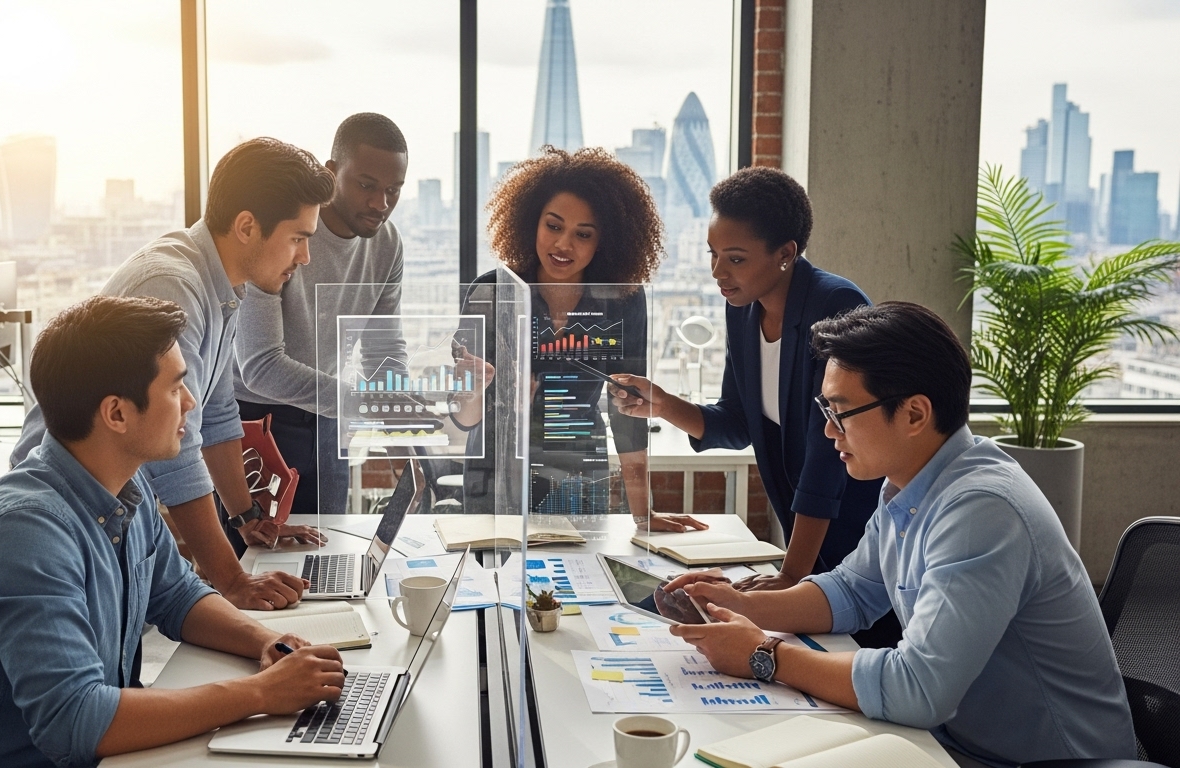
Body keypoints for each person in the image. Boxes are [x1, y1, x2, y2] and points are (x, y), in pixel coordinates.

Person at [662, 302, 1134, 768]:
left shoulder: (982, 510)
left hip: (1037, 760)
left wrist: (763, 655)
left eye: (841, 411)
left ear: (913, 414)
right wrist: (737, 605)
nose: (828, 430)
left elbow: (919, 689)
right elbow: (853, 591)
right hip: (952, 741)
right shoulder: (909, 483)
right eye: (824, 407)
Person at [0, 296, 346, 768]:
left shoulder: (124, 481)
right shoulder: (25, 533)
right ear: (116, 414)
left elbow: (178, 595)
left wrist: (265, 641)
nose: (191, 402)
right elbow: (74, 721)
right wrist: (259, 693)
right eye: (176, 387)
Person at [10, 138, 333, 611]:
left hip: (111, 501)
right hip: (66, 504)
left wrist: (246, 516)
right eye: (298, 238)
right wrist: (231, 579)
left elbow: (219, 412)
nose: (303, 257)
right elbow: (173, 449)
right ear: (247, 226)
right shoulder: (174, 285)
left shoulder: (224, 285)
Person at [614, 167, 885, 603]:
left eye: (735, 258)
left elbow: (826, 457)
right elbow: (738, 422)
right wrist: (662, 404)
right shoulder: (743, 309)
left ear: (785, 253)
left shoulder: (836, 305)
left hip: (858, 527)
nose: (718, 272)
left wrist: (790, 574)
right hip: (804, 531)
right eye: (713, 254)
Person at [455, 146, 701, 530]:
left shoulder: (623, 299)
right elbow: (465, 419)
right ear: (530, 222)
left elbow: (629, 413)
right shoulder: (492, 292)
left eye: (582, 234)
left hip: (579, 473)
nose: (563, 245)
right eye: (553, 226)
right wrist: (475, 389)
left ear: (604, 240)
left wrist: (643, 515)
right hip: (497, 475)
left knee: (580, 584)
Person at [235, 113, 408, 516]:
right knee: (259, 560)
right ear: (331, 174)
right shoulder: (282, 233)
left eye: (393, 190)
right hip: (257, 417)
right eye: (366, 185)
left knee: (329, 550)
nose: (380, 204)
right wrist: (367, 406)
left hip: (329, 415)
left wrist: (398, 413)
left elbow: (384, 345)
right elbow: (259, 366)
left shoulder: (388, 244)